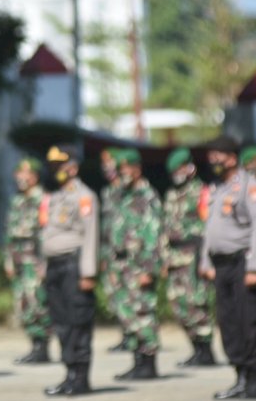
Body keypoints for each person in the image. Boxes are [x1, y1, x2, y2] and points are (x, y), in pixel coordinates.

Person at [200, 135, 256, 399]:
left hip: (243, 262)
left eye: (217, 155)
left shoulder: (250, 187)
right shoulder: (217, 187)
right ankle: (239, 375)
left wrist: (255, 268)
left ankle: (254, 379)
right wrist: (206, 261)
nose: (212, 160)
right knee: (228, 322)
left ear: (231, 157)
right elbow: (211, 229)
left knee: (248, 321)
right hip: (221, 265)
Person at [40, 145, 99, 397]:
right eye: (53, 167)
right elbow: (48, 234)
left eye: (59, 166)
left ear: (72, 168)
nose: (56, 171)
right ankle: (69, 374)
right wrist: (44, 265)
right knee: (62, 323)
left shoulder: (84, 196)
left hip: (73, 266)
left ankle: (81, 377)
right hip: (55, 267)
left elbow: (91, 235)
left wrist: (88, 272)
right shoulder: (56, 196)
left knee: (78, 322)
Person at [160, 148, 217, 366]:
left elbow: (207, 225)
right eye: (174, 170)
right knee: (178, 305)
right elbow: (165, 229)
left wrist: (205, 259)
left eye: (180, 168)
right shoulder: (172, 194)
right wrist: (164, 258)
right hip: (175, 259)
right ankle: (196, 346)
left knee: (197, 302)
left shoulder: (202, 192)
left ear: (189, 167)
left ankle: (206, 349)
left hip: (193, 255)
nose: (177, 173)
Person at [110, 148, 162, 381]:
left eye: (127, 168)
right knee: (128, 314)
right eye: (121, 169)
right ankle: (137, 361)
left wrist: (148, 269)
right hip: (124, 265)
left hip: (140, 264)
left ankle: (149, 363)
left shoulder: (147, 196)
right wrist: (113, 267)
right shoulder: (124, 195)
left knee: (143, 313)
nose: (123, 173)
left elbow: (153, 235)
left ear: (137, 169)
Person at [5, 157, 51, 364]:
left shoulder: (43, 200)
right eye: (19, 174)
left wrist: (45, 263)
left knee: (37, 302)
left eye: (26, 174)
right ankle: (34, 343)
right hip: (19, 261)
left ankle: (42, 346)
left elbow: (47, 234)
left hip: (35, 260)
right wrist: (8, 261)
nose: (22, 178)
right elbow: (9, 234)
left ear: (35, 176)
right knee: (23, 303)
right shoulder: (17, 201)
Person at [99, 148, 129, 352]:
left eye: (111, 162)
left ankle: (133, 335)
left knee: (130, 296)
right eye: (105, 163)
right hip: (109, 252)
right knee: (115, 296)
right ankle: (126, 334)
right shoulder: (108, 192)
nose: (108, 167)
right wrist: (102, 255)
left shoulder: (127, 191)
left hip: (127, 253)